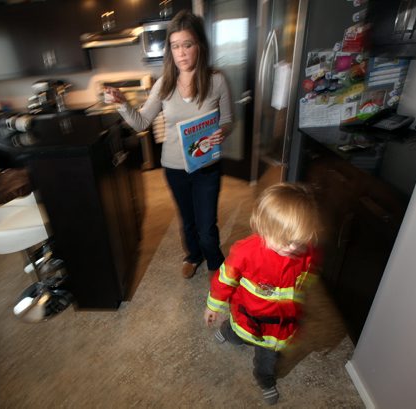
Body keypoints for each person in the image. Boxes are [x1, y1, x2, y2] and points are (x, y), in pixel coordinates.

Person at [105, 10, 233, 279]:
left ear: (200, 46)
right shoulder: (164, 84)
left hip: (207, 165)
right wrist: (122, 105)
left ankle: (214, 261)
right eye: (175, 46)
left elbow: (229, 121)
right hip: (175, 168)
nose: (182, 53)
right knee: (187, 221)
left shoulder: (217, 80)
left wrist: (222, 132)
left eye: (187, 45)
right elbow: (141, 123)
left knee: (207, 225)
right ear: (170, 51)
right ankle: (194, 255)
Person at [203, 183, 322, 406]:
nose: (293, 248)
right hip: (248, 314)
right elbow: (224, 279)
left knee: (268, 358)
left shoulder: (305, 252)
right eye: (285, 241)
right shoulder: (245, 251)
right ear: (263, 227)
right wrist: (213, 305)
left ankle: (265, 380)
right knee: (237, 334)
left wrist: (299, 302)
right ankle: (226, 331)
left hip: (277, 326)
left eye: (299, 241)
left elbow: (306, 278)